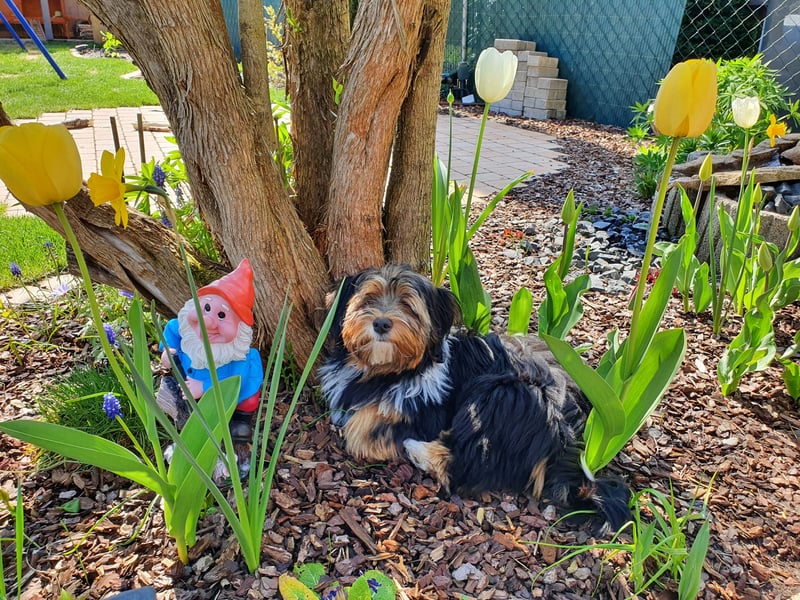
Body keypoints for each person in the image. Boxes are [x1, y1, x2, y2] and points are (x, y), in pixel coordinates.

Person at [159, 258, 263, 450]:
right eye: (206, 308)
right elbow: (171, 332)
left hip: (226, 394)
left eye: (222, 316)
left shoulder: (236, 357)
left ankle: (240, 421)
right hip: (189, 384)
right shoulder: (185, 330)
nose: (207, 322)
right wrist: (167, 350)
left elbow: (235, 382)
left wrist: (205, 387)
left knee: (247, 399)